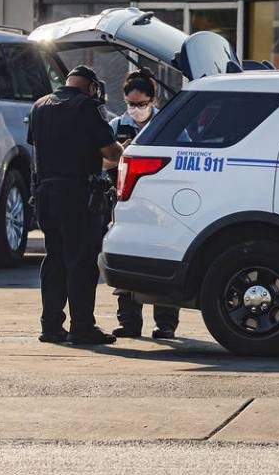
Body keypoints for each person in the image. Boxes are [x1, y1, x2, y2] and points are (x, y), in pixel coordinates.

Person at [28, 64, 123, 346]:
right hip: (78, 193)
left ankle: (51, 326)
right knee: (81, 261)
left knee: (55, 258)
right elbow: (110, 152)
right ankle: (82, 327)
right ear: (91, 87)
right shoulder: (86, 107)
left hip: (46, 192)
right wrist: (123, 150)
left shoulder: (40, 105)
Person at [108, 68, 181, 340]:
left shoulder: (167, 124)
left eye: (141, 104)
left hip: (161, 202)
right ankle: (129, 322)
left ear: (153, 101)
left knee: (163, 258)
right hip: (125, 202)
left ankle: (165, 324)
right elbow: (102, 160)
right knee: (126, 259)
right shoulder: (116, 126)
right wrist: (121, 153)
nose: (135, 110)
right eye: (130, 104)